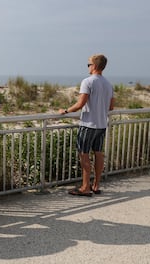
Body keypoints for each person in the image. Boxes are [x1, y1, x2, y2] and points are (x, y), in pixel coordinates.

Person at [59, 54, 114, 197]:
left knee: (84, 155)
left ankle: (85, 187)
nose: (88, 67)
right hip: (102, 124)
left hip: (88, 124)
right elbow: (111, 106)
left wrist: (65, 111)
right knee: (98, 154)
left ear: (94, 66)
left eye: (88, 64)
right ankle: (96, 185)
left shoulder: (88, 81)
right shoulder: (108, 84)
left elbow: (80, 104)